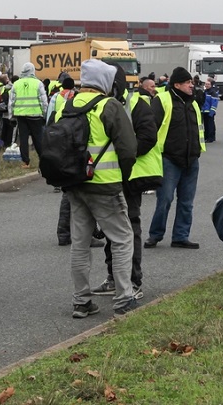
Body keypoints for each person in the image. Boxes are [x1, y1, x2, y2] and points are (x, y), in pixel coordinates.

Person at [53, 59, 138, 318]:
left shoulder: (68, 105)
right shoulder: (109, 106)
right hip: (105, 185)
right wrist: (124, 177)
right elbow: (128, 148)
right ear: (104, 82)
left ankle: (81, 301)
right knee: (123, 238)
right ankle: (124, 298)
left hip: (75, 184)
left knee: (79, 244)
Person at [92, 65, 162, 302]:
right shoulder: (100, 104)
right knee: (110, 231)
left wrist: (125, 156)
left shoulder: (136, 103)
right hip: (106, 178)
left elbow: (148, 137)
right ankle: (114, 278)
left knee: (130, 229)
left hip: (129, 177)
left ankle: (132, 281)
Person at [144, 66, 205, 249]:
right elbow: (151, 127)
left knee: (186, 202)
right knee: (165, 199)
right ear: (177, 85)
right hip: (169, 159)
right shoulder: (162, 100)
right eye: (187, 83)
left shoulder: (193, 103)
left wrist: (197, 151)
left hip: (191, 159)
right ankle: (155, 235)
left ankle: (180, 236)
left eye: (191, 82)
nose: (191, 86)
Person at [8, 62, 47, 168]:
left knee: (23, 139)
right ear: (33, 70)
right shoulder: (38, 83)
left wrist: (11, 117)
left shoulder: (16, 84)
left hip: (21, 116)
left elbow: (11, 102)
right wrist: (44, 114)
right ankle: (43, 161)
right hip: (35, 115)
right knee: (38, 139)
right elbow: (43, 101)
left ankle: (25, 162)